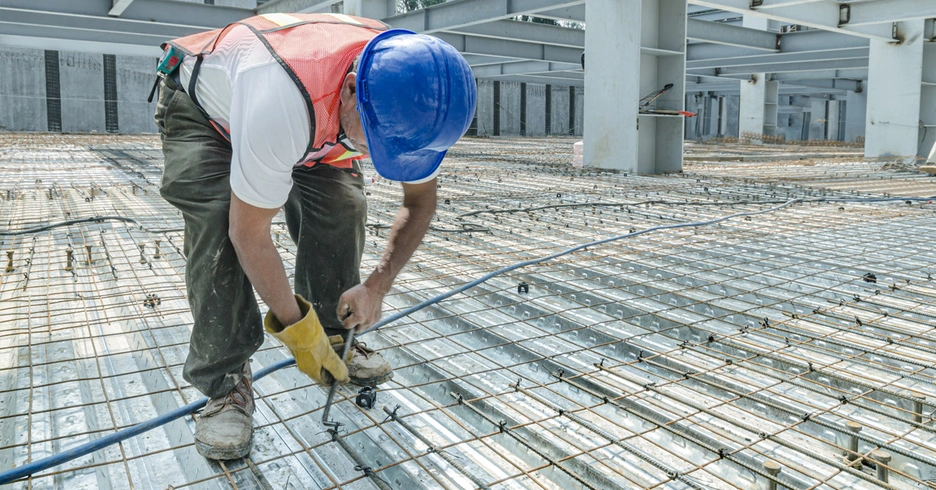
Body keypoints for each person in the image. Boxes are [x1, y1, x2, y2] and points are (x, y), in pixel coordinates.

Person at [153, 12, 476, 460]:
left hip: (316, 112)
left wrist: (377, 285)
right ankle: (225, 384)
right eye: (376, 142)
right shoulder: (281, 98)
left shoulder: (415, 94)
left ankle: (335, 332)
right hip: (208, 110)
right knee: (217, 226)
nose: (375, 156)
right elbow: (248, 234)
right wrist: (297, 332)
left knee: (344, 204)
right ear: (350, 92)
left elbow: (419, 202)